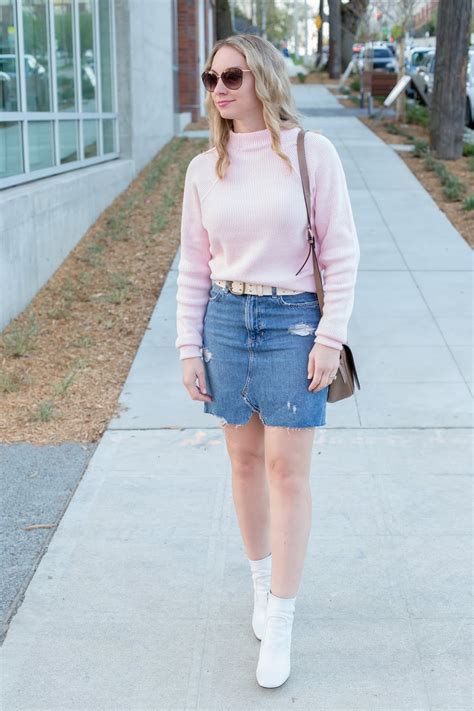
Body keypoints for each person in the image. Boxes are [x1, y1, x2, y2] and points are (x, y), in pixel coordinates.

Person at [175, 34, 360, 688]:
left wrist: (329, 337)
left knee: (287, 471)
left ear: (263, 80)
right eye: (210, 78)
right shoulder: (205, 169)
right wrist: (188, 345)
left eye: (231, 76)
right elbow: (194, 266)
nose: (219, 88)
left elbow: (341, 253)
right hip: (225, 318)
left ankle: (281, 615)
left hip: (293, 322)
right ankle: (260, 582)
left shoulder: (313, 154)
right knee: (244, 460)